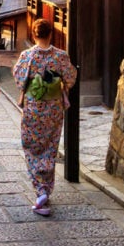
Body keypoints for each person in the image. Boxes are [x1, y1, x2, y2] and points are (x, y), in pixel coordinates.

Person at [13, 18, 77, 217]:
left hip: (33, 106)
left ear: (34, 34)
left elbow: (18, 77)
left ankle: (40, 189)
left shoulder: (27, 55)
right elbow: (70, 77)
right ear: (51, 34)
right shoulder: (60, 56)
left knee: (31, 145)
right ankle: (45, 189)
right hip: (53, 108)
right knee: (50, 146)